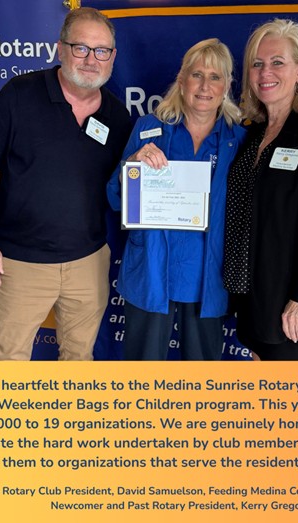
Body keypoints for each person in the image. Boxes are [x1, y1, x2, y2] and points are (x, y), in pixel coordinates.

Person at [0, 7, 132, 360]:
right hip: (18, 263)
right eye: (81, 48)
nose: (91, 60)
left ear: (112, 57)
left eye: (101, 51)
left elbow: (122, 188)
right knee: (9, 362)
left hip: (88, 262)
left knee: (79, 360)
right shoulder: (19, 95)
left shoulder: (117, 116)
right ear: (60, 49)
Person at [107, 39, 246, 361]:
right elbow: (115, 197)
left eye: (215, 77)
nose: (205, 86)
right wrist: (132, 168)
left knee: (200, 377)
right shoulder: (148, 128)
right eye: (197, 75)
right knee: (143, 372)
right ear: (182, 80)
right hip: (151, 270)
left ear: (226, 86)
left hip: (208, 276)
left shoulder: (238, 139)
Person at [223, 19, 298, 361]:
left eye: (278, 62)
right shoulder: (254, 133)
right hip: (253, 291)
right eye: (257, 63)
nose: (265, 72)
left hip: (290, 298)